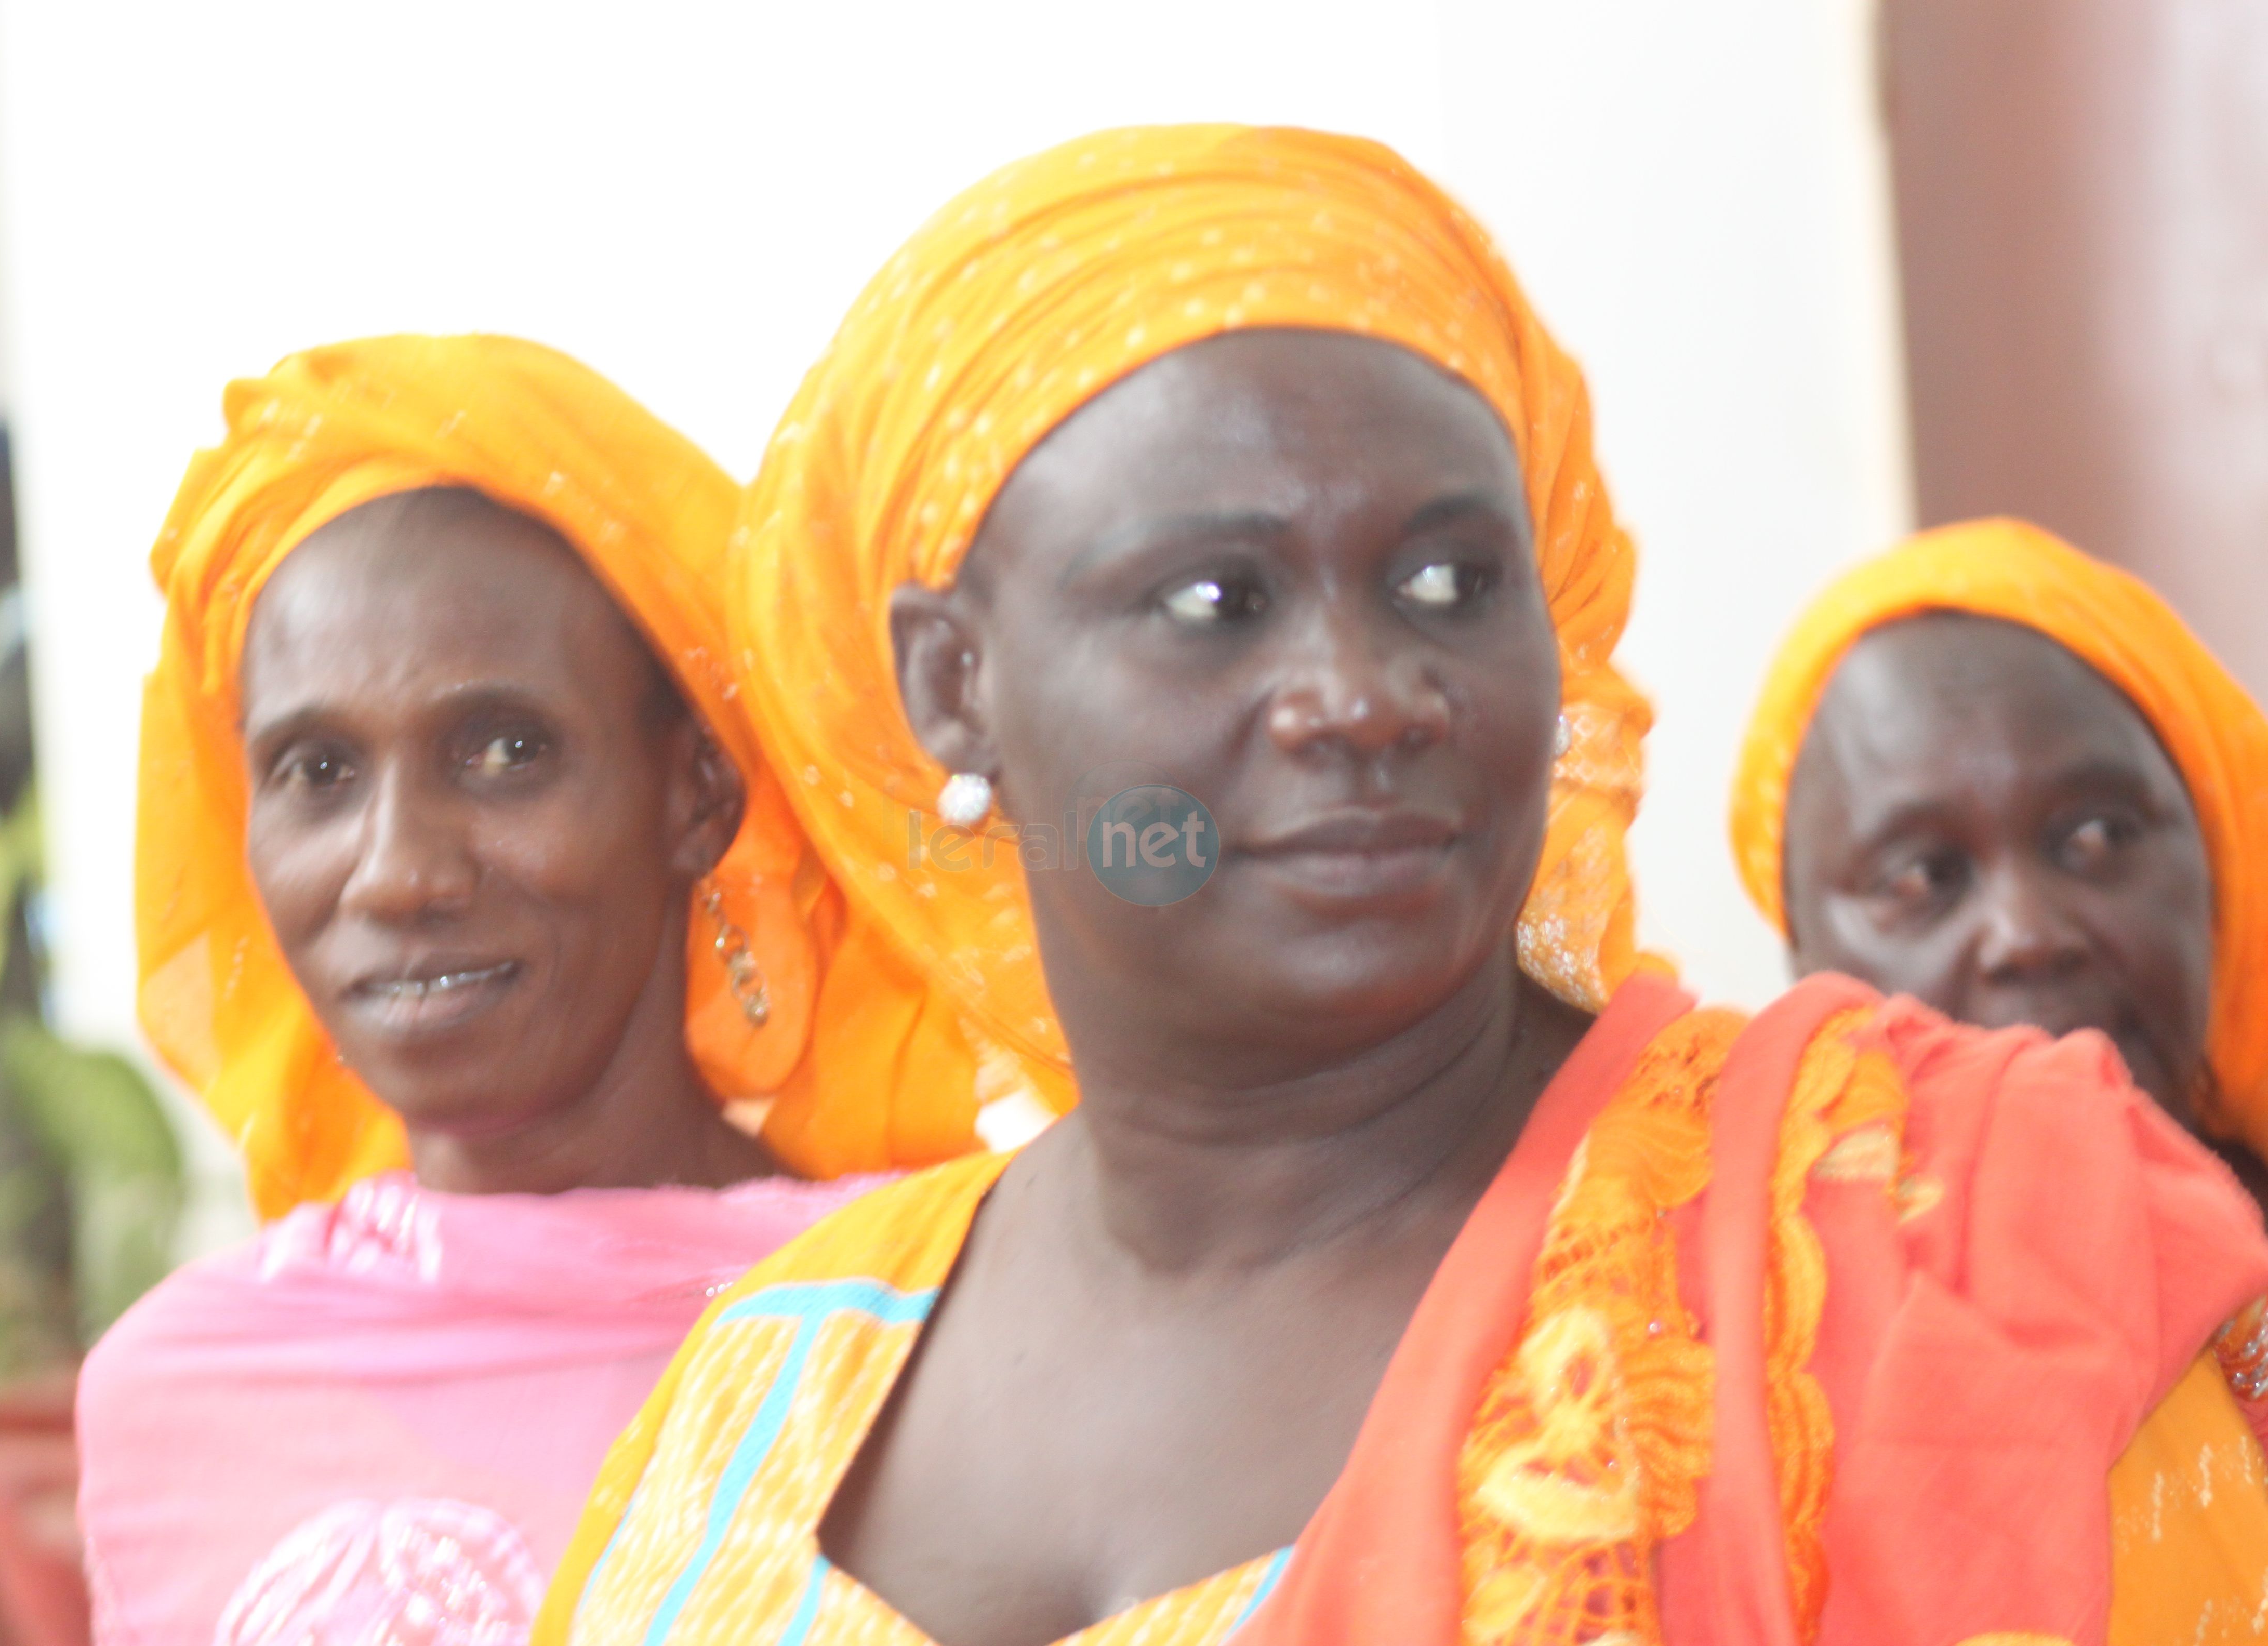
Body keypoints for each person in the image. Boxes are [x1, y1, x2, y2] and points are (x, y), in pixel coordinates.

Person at [537, 127, 2268, 1646]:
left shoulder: (1913, 1238)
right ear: (951, 684)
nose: (1363, 694)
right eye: (1215, 599)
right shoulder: (761, 1375)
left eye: (1446, 579)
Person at [77, 336, 873, 1646]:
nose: (395, 875)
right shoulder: (181, 1391)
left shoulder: (908, 1316)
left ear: (696, 793)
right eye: (318, 772)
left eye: (505, 751)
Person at [1731, 515, 2268, 1641]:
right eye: (1923, 873)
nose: (2026, 934)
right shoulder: (1732, 1375)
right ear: (1805, 957)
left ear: (2219, 852)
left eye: (2097, 836)